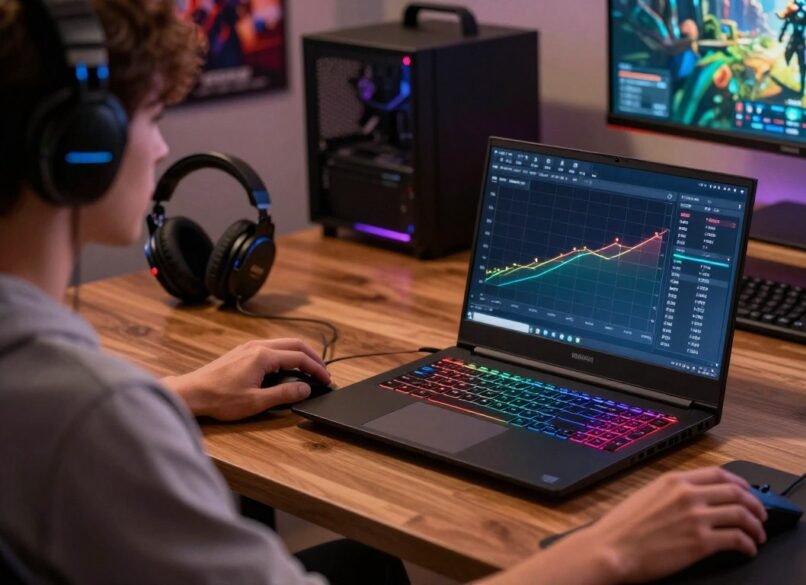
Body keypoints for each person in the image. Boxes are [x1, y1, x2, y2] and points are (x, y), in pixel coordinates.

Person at [0, 1, 767, 583]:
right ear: (79, 149)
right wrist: (610, 548)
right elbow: (80, 425)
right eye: (155, 116)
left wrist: (180, 391)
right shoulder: (93, 417)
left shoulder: (54, 389)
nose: (165, 145)